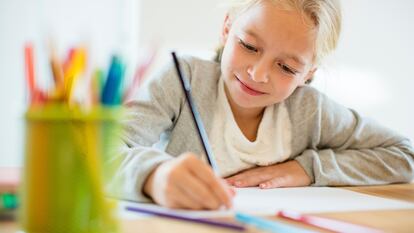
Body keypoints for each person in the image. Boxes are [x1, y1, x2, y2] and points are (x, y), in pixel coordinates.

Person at [111, 0, 414, 210]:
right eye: (249, 46)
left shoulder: (310, 111)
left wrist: (307, 169)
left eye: (287, 68)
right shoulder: (183, 80)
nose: (258, 74)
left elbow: (405, 155)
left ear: (308, 74)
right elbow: (98, 151)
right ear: (227, 28)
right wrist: (153, 176)